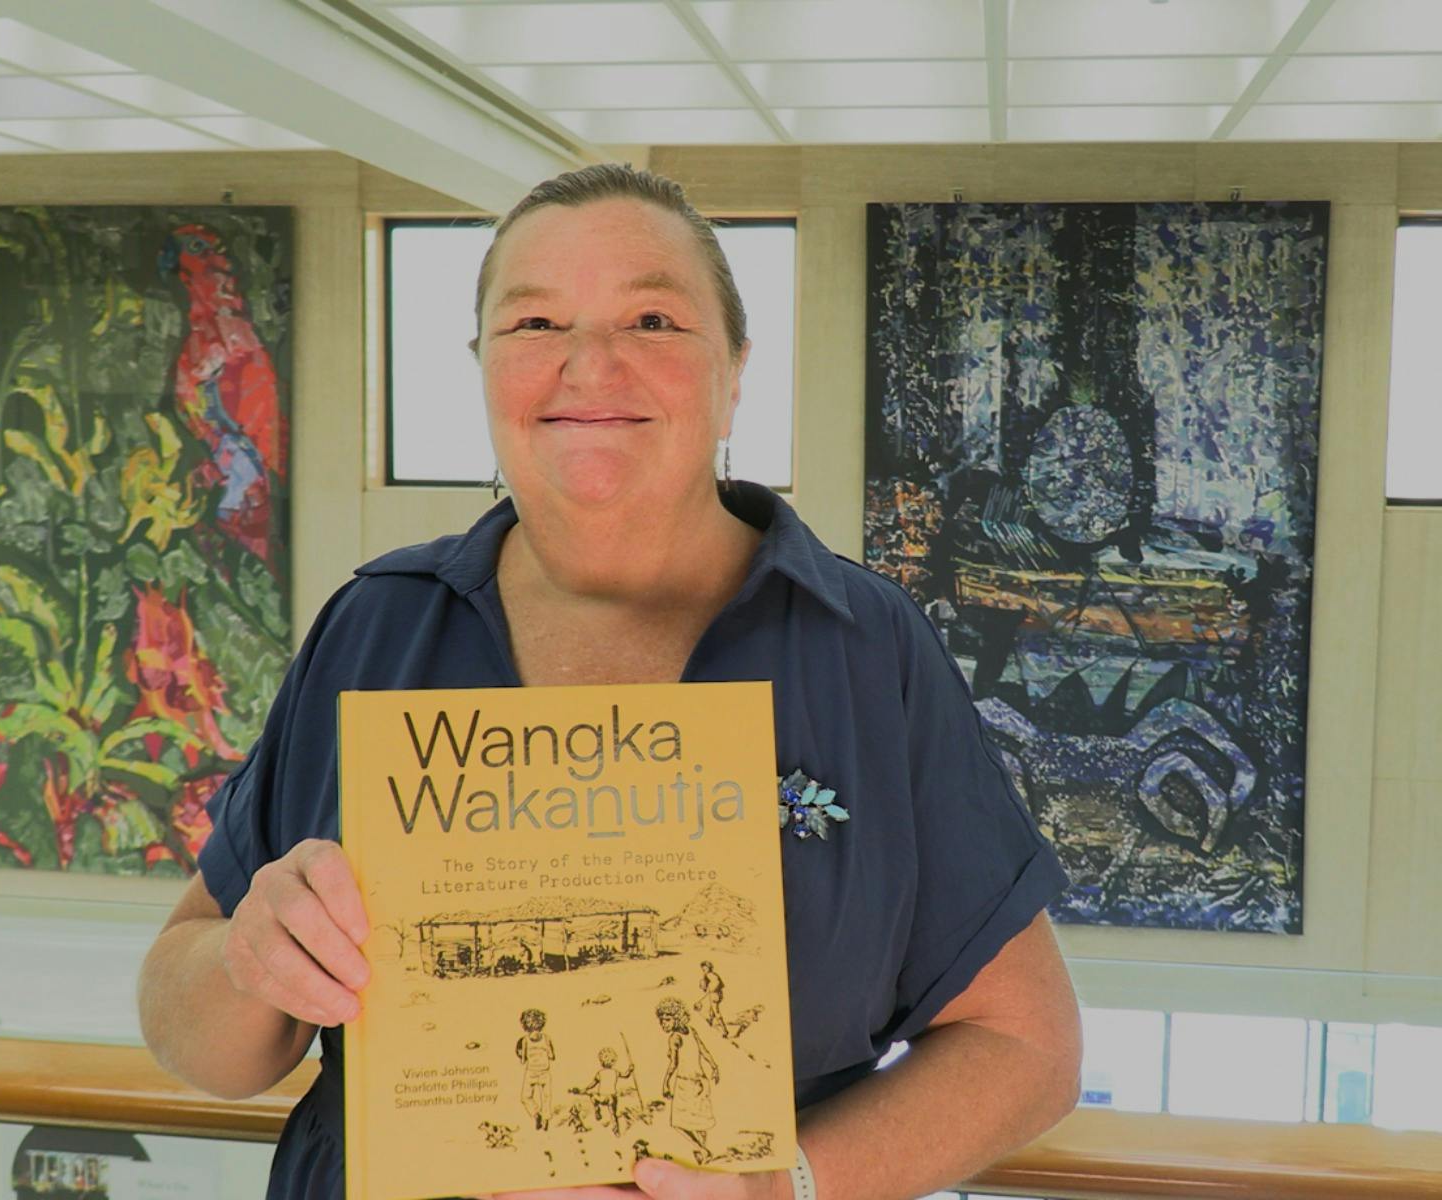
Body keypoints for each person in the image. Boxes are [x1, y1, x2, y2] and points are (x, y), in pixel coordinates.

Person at [137, 163, 1082, 1200]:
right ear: (483, 366)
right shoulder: (377, 625)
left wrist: (790, 1187)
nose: (588, 367)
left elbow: (1025, 1045)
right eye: (535, 324)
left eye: (652, 320)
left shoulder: (867, 647)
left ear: (733, 370)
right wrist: (249, 959)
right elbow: (206, 1036)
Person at [657, 996, 721, 1164]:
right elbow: (704, 1051)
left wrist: (665, 1083)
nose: (664, 1024)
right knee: (699, 1122)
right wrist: (714, 1066)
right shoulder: (691, 1031)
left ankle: (702, 1150)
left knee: (678, 1123)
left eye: (668, 1020)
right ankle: (703, 1157)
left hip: (686, 1083)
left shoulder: (675, 1037)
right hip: (701, 1080)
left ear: (677, 1018)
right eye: (662, 1021)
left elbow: (674, 1064)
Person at [515, 1007, 557, 1131]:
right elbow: (552, 1056)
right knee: (546, 1097)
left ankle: (536, 1114)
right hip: (545, 1070)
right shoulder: (546, 1038)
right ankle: (546, 1119)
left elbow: (523, 1060)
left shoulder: (525, 1040)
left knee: (525, 1097)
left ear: (525, 1025)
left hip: (531, 1071)